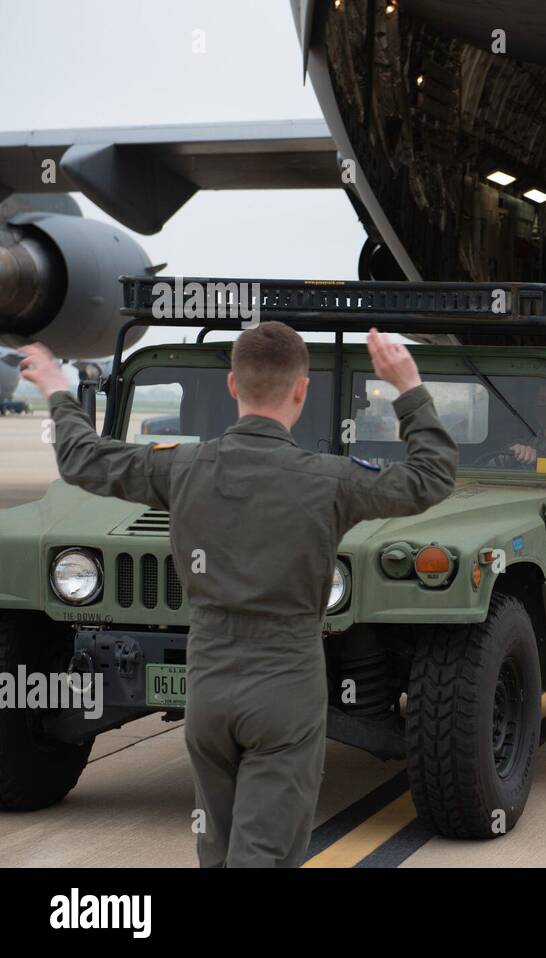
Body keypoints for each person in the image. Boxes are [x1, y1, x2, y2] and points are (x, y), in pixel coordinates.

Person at [19, 324, 458, 867]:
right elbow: (432, 476)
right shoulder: (332, 480)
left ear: (232, 385)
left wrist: (59, 390)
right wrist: (407, 385)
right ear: (303, 389)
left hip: (208, 690)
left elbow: (83, 459)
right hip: (285, 686)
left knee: (219, 851)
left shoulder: (180, 467)